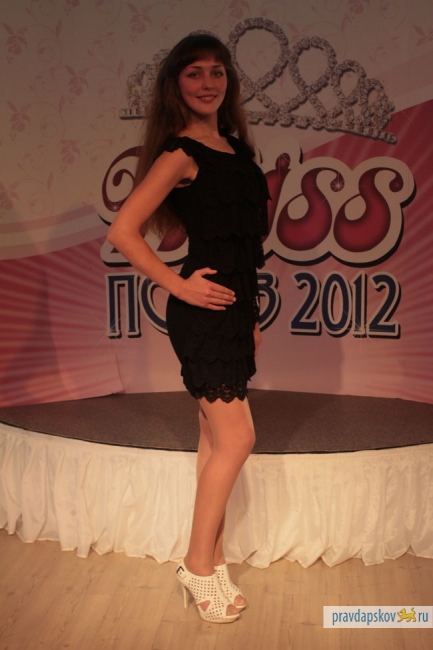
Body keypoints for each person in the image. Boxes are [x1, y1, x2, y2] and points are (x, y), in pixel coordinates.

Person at [107, 33, 269, 623]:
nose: (208, 83)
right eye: (195, 72)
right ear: (175, 83)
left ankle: (214, 562)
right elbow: (123, 231)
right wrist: (178, 285)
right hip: (201, 313)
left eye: (217, 72)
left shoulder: (237, 149)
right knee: (239, 439)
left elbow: (244, 247)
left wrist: (251, 316)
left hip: (235, 312)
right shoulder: (179, 152)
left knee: (213, 441)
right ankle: (197, 566)